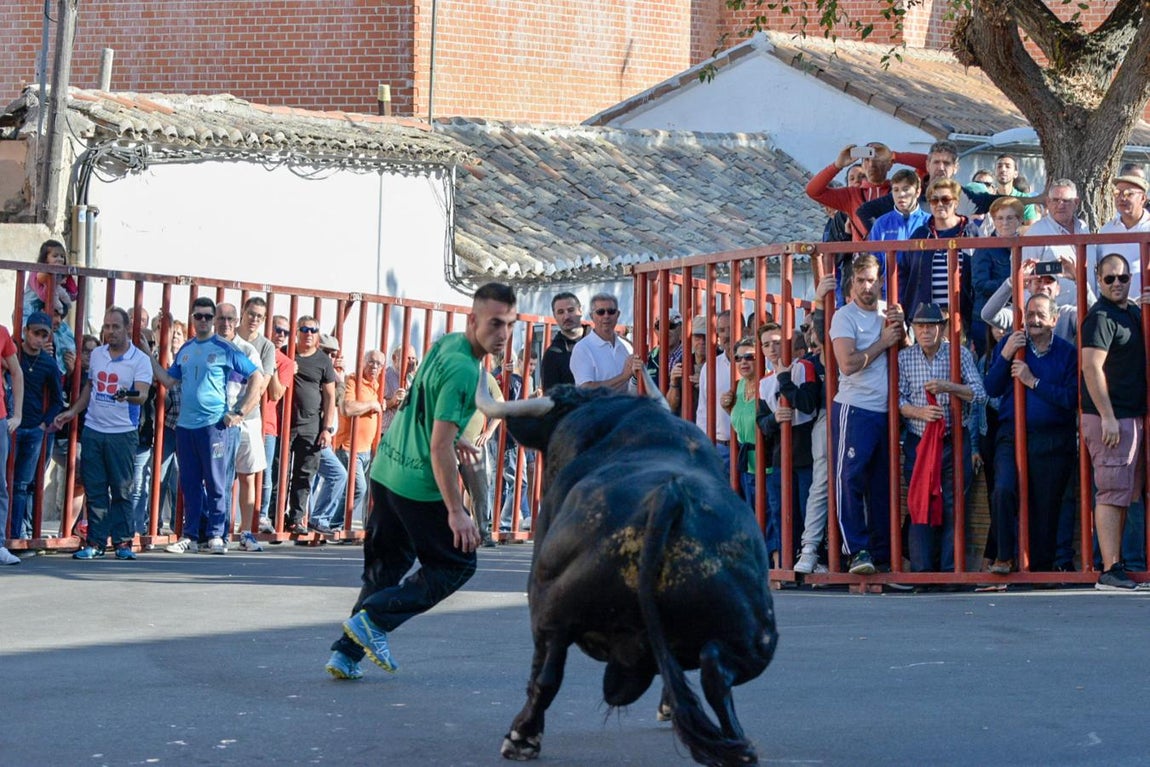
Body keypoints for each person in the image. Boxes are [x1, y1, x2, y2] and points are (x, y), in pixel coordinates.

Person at [325, 282, 515, 681]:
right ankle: (373, 620)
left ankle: (345, 654)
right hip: (417, 483)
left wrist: (453, 436)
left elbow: (421, 403)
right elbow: (440, 449)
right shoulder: (466, 371)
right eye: (494, 324)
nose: (502, 335)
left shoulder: (446, 344)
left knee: (385, 570)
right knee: (458, 563)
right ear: (473, 319)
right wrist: (457, 512)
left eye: (508, 325)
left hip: (386, 469)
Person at [150, 297, 263, 555]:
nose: (203, 321)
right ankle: (190, 535)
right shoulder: (186, 349)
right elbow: (169, 380)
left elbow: (256, 375)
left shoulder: (225, 348)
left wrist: (240, 411)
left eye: (207, 317)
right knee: (189, 482)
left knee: (216, 482)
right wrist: (149, 357)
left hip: (214, 425)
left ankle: (216, 535)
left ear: (213, 320)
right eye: (198, 316)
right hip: (185, 426)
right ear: (192, 319)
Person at [983, 294, 1077, 574]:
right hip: (1012, 433)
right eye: (1030, 314)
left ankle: (1039, 570)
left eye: (1040, 314)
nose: (1034, 320)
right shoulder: (1013, 344)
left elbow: (1071, 399)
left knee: (1045, 506)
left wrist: (1032, 382)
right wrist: (1004, 354)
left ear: (1054, 320)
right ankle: (1004, 557)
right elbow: (991, 388)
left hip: (1052, 438)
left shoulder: (1066, 352)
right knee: (1002, 489)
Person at [54, 308, 153, 560]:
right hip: (94, 431)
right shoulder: (97, 354)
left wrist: (125, 394)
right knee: (95, 488)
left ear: (127, 328)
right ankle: (96, 543)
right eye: (107, 326)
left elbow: (141, 395)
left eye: (115, 327)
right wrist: (72, 411)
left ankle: (122, 543)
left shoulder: (139, 359)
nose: (110, 332)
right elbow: (90, 386)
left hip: (123, 433)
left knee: (121, 490)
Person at [829, 254, 904, 574]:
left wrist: (903, 329)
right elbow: (846, 363)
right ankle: (856, 550)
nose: (866, 286)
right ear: (851, 283)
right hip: (855, 407)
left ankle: (883, 553)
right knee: (849, 478)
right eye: (860, 280)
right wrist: (882, 342)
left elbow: (907, 349)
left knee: (883, 485)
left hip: (887, 410)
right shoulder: (844, 316)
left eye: (872, 279)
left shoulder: (889, 311)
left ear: (881, 281)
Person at [897, 303, 985, 574]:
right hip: (919, 441)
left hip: (953, 438)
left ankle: (951, 571)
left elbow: (980, 394)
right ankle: (922, 572)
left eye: (931, 326)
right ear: (913, 328)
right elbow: (897, 399)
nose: (925, 331)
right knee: (919, 501)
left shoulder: (958, 354)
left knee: (954, 503)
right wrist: (919, 412)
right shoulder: (904, 358)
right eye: (920, 326)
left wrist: (948, 386)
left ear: (942, 328)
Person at [1080, 253, 1147, 590]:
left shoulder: (1130, 312)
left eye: (1123, 278)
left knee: (1125, 494)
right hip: (1110, 418)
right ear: (1098, 278)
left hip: (1128, 416)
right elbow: (1091, 367)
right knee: (1110, 493)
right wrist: (1107, 416)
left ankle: (1118, 564)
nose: (1117, 283)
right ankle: (1109, 569)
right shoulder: (1101, 317)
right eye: (1110, 279)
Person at [213, 303, 268, 550]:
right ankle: (217, 531)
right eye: (221, 318)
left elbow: (257, 388)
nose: (225, 323)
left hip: (247, 420)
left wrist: (240, 413)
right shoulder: (208, 346)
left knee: (247, 477)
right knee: (216, 478)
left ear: (237, 321)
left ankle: (246, 532)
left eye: (229, 319)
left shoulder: (247, 350)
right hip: (215, 421)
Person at [10, 311, 65, 540]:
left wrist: (44, 425)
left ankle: (16, 535)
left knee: (22, 484)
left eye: (44, 335)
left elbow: (57, 400)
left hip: (33, 429)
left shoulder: (48, 363)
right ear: (25, 332)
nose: (39, 339)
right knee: (6, 481)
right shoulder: (12, 353)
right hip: (10, 425)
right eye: (36, 333)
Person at [899, 177, 977, 333]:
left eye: (945, 199)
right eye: (934, 200)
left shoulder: (971, 232)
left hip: (962, 317)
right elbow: (904, 273)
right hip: (926, 319)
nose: (939, 204)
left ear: (956, 202)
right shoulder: (920, 234)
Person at [805, 142, 927, 240]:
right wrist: (837, 165)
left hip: (898, 261)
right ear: (863, 166)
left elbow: (928, 165)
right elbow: (813, 191)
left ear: (889, 164)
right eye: (867, 160)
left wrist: (895, 155)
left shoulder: (901, 191)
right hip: (865, 264)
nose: (872, 164)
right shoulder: (851, 195)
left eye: (878, 159)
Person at [286, 317, 338, 534]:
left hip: (311, 425)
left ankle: (297, 519)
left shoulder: (323, 361)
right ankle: (273, 517)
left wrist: (326, 428)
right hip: (284, 423)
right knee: (276, 472)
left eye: (313, 330)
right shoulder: (286, 353)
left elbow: (330, 396)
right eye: (304, 329)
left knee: (304, 474)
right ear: (297, 332)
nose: (308, 333)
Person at [332, 349, 387, 527]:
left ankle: (338, 526)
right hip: (349, 447)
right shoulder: (353, 381)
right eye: (371, 361)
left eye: (379, 364)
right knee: (358, 489)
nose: (374, 366)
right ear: (363, 362)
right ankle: (335, 525)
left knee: (352, 490)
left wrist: (384, 403)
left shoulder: (377, 386)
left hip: (367, 450)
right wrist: (372, 404)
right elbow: (347, 408)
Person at [1022, 179, 1096, 307]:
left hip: (1090, 310)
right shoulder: (1036, 233)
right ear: (1048, 202)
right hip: (1056, 318)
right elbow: (1024, 281)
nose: (1060, 205)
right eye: (1055, 200)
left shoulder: (1084, 228)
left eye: (1066, 201)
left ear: (1076, 202)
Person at [260, 315, 295, 529]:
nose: (281, 335)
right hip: (242, 419)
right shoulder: (252, 350)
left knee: (265, 474)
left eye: (285, 332)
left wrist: (271, 367)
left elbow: (275, 393)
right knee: (229, 472)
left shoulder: (286, 363)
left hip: (269, 425)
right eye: (277, 329)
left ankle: (262, 516)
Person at [569, 293, 642, 391]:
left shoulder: (627, 347)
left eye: (611, 311)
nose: (606, 316)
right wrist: (623, 376)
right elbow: (586, 389)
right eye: (600, 312)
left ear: (618, 314)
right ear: (592, 316)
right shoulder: (582, 349)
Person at [1092, 175, 1150, 297]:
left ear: (1143, 198)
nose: (1121, 198)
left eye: (1129, 194)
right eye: (1117, 193)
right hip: (1114, 309)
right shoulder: (1107, 231)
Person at [695, 310, 737, 470]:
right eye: (721, 330)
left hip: (751, 447)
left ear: (744, 329)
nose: (726, 335)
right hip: (720, 448)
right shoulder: (711, 366)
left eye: (731, 328)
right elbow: (703, 410)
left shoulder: (758, 362)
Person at [0, 320, 23, 564]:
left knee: (0, 484)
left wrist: (17, 414)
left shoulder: (2, 333)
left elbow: (16, 372)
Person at [22, 239, 78, 318]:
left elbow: (73, 295)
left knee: (65, 330)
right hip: (27, 313)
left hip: (48, 314)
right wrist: (54, 281)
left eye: (62, 256)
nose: (59, 259)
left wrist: (67, 275)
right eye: (55, 256)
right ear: (45, 258)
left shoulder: (60, 273)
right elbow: (44, 296)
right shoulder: (35, 272)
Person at [540, 292, 584, 392]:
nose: (566, 317)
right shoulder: (552, 355)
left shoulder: (599, 341)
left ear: (580, 311)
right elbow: (551, 398)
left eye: (570, 310)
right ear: (555, 317)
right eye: (560, 312)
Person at [380, 345, 417, 436]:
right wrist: (393, 401)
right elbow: (377, 404)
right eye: (408, 358)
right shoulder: (385, 377)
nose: (411, 362)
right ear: (394, 358)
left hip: (405, 432)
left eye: (413, 358)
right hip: (388, 432)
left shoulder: (411, 378)